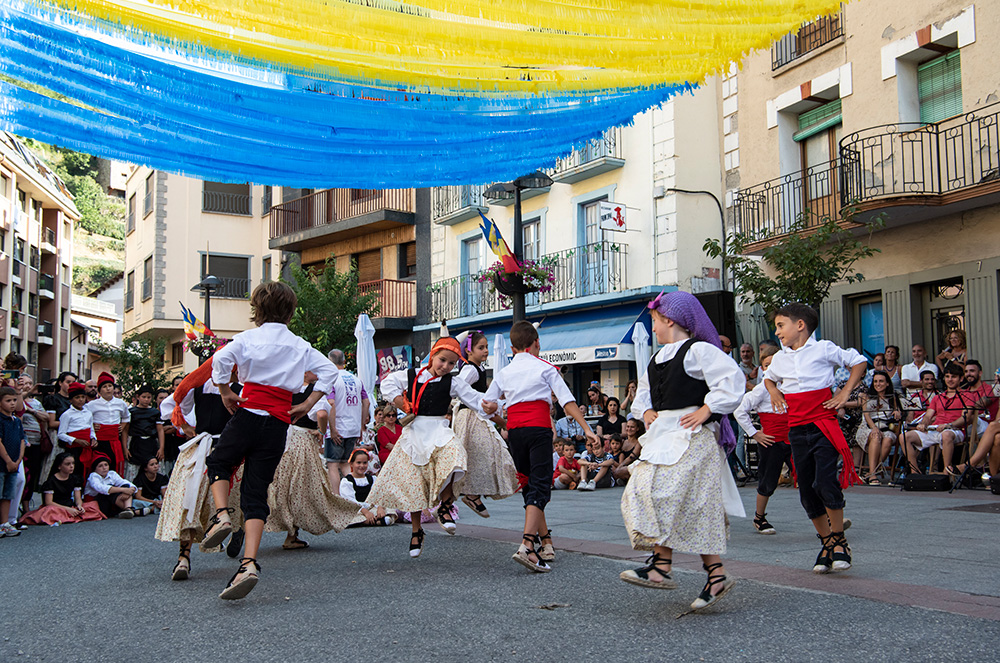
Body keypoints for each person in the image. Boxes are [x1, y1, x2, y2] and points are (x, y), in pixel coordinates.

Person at [201, 281, 337, 600]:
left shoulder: (248, 338)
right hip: (278, 422)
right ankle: (249, 563)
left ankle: (221, 516)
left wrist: (224, 391)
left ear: (256, 309)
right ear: (290, 312)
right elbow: (328, 372)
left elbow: (220, 361)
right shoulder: (300, 345)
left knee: (219, 462)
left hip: (248, 413)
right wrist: (305, 404)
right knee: (256, 490)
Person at [618, 291, 745, 612]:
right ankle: (707, 572)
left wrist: (707, 409)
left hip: (693, 435)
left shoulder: (699, 350)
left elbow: (732, 380)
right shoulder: (656, 358)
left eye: (655, 321)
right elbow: (644, 396)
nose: (654, 328)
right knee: (655, 493)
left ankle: (664, 566)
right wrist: (645, 412)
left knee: (673, 495)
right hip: (664, 435)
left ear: (670, 320)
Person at [483, 321, 598, 573]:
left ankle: (545, 541)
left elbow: (486, 404)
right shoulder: (546, 368)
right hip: (538, 430)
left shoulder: (504, 372)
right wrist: (587, 429)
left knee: (528, 483)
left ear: (512, 348)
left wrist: (497, 408)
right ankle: (527, 545)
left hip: (515, 433)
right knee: (540, 485)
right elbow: (567, 401)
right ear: (536, 343)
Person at [763, 303, 866, 574]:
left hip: (823, 425)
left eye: (781, 325)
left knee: (825, 481)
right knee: (807, 489)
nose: (777, 332)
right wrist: (773, 391)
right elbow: (768, 379)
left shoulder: (823, 349)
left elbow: (858, 361)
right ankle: (827, 543)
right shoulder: (780, 358)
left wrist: (844, 394)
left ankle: (840, 542)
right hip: (796, 429)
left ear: (800, 325)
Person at [368, 337, 488, 558]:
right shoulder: (412, 375)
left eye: (452, 364)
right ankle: (416, 531)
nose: (446, 366)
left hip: (439, 429)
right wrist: (401, 402)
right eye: (442, 360)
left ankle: (445, 505)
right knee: (413, 482)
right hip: (414, 432)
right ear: (432, 356)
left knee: (455, 456)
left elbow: (474, 398)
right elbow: (387, 383)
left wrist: (493, 404)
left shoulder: (453, 382)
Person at [155, 357, 246, 583]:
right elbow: (171, 406)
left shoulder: (242, 386)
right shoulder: (196, 385)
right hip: (202, 446)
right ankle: (183, 557)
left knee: (236, 498)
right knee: (190, 499)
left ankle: (237, 529)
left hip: (229, 447)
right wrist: (184, 426)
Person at [264, 381, 359, 550]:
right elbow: (322, 414)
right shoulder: (313, 391)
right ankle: (292, 535)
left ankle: (266, 523)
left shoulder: (285, 387)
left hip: (282, 438)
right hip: (302, 440)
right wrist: (321, 432)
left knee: (282, 484)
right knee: (301, 487)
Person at [452, 331, 519, 518]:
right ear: (469, 351)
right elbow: (458, 386)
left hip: (475, 417)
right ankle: (468, 494)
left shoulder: (479, 369)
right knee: (488, 452)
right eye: (481, 348)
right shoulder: (471, 369)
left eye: (487, 347)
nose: (485, 351)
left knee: (483, 455)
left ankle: (472, 493)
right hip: (470, 417)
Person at [734, 345, 789, 535]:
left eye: (776, 364)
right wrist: (754, 433)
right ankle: (759, 517)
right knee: (768, 480)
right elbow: (740, 410)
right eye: (767, 365)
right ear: (763, 368)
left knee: (810, 477)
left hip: (794, 438)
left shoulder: (791, 384)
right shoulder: (762, 388)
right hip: (771, 441)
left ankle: (828, 517)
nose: (771, 369)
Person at [902, 364, 968, 475]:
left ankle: (946, 471)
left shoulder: (966, 395)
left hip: (955, 430)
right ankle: (915, 472)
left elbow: (966, 417)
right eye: (947, 376)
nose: (950, 380)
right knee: (904, 437)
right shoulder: (938, 397)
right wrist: (923, 424)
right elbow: (928, 416)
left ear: (961, 378)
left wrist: (949, 425)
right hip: (935, 429)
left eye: (954, 377)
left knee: (946, 434)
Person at [324, 349, 370, 493]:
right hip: (353, 428)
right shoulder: (356, 380)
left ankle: (337, 497)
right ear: (344, 361)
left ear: (329, 362)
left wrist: (332, 429)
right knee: (345, 464)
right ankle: (355, 493)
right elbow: (367, 402)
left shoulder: (331, 379)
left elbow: (331, 404)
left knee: (332, 464)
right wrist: (362, 425)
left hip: (337, 428)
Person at [18, 452, 105, 525]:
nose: (71, 466)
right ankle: (66, 515)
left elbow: (78, 498)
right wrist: (67, 509)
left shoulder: (75, 479)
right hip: (56, 507)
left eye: (73, 463)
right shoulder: (51, 481)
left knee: (92, 506)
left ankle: (69, 515)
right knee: (49, 512)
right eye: (67, 464)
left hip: (70, 505)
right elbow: (49, 502)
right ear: (59, 466)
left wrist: (79, 506)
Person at [855, 371, 902, 486]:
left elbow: (898, 412)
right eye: (875, 381)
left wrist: (897, 411)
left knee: (888, 439)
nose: (878, 384)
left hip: (886, 427)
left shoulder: (893, 397)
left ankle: (871, 472)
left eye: (881, 381)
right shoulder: (867, 396)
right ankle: (873, 474)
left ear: (887, 384)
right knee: (876, 436)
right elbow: (866, 416)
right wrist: (874, 428)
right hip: (868, 426)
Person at [84, 372, 131, 476]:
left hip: (114, 440)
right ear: (99, 390)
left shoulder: (120, 403)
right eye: (104, 387)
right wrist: (92, 426)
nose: (108, 389)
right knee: (99, 465)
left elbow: (127, 417)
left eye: (110, 386)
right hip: (99, 440)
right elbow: (85, 419)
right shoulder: (92, 405)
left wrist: (122, 427)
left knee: (114, 465)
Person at [340, 449, 395, 527]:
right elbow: (350, 501)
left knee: (389, 509)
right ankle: (374, 521)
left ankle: (372, 520)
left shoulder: (372, 479)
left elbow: (377, 495)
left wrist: (380, 508)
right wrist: (366, 512)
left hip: (370, 507)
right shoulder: (347, 481)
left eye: (364, 463)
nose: (362, 466)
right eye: (358, 463)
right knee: (347, 516)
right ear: (351, 464)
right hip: (357, 509)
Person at [84, 456, 148, 519]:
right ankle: (134, 511)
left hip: (111, 502)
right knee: (110, 491)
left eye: (106, 465)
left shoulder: (112, 474)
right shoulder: (93, 476)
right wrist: (124, 490)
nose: (104, 468)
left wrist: (129, 490)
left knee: (126, 486)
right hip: (96, 503)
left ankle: (128, 509)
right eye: (100, 466)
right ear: (95, 469)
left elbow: (126, 483)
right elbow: (102, 488)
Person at [56, 382, 96, 480]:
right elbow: (61, 434)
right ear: (71, 400)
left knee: (86, 470)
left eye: (83, 397)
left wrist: (93, 438)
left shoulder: (88, 413)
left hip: (86, 446)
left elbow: (91, 428)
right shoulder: (67, 415)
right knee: (74, 470)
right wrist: (76, 440)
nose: (80, 400)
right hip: (74, 448)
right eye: (77, 397)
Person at [0, 386, 26, 538]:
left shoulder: (16, 420)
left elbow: (22, 440)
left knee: (7, 495)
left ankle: (5, 523)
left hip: (14, 464)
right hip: (3, 463)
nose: (12, 404)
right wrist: (8, 460)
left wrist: (17, 460)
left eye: (14, 400)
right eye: (8, 401)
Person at [126, 385, 164, 480]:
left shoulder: (155, 412)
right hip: (136, 443)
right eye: (144, 397)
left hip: (151, 443)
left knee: (152, 466)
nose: (146, 400)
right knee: (135, 468)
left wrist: (161, 448)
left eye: (149, 397)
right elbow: (125, 431)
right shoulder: (131, 412)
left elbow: (160, 430)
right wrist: (125, 448)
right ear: (138, 397)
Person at [612, 419, 644, 485]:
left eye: (632, 427)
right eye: (628, 426)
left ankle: (626, 479)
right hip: (621, 465)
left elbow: (631, 457)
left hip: (632, 466)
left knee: (619, 471)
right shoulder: (623, 442)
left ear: (637, 429)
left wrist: (620, 467)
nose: (629, 429)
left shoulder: (638, 442)